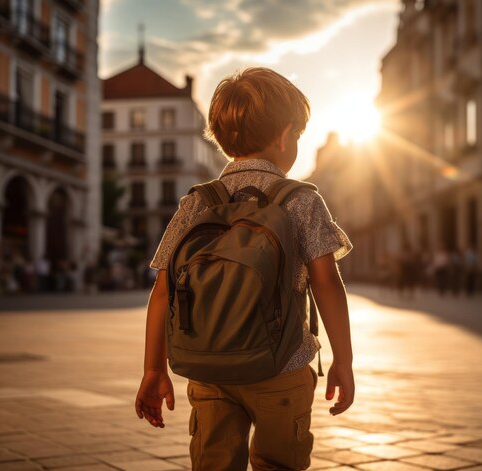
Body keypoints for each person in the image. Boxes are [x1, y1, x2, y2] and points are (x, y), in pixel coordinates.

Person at [134, 67, 355, 470]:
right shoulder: (300, 199)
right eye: (299, 138)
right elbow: (327, 284)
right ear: (285, 135)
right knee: (279, 463)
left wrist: (153, 369)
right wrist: (344, 360)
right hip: (282, 368)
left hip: (209, 370)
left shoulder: (198, 203)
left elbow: (162, 291)